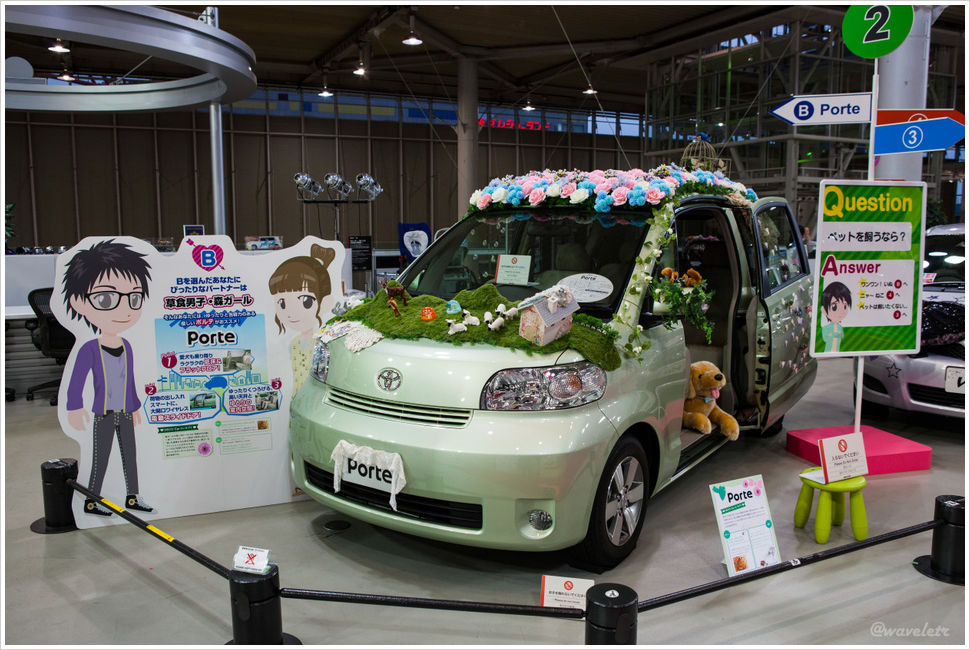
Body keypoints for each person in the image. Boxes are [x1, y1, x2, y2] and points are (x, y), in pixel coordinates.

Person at [63, 239, 153, 516]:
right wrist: (74, 407)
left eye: (134, 298)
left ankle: (132, 496)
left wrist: (135, 407)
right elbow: (77, 381)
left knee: (131, 456)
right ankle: (92, 500)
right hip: (103, 413)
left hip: (125, 411)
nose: (125, 309)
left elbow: (130, 379)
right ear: (79, 302)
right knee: (100, 457)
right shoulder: (90, 349)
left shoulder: (127, 346)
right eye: (106, 299)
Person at [269, 244, 336, 394]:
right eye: (282, 303)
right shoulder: (292, 344)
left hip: (318, 402)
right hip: (295, 400)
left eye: (306, 301)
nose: (291, 312)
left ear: (325, 303)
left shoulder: (325, 343)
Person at [820, 281, 851, 353]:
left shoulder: (840, 327)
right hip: (828, 350)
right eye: (834, 307)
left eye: (845, 306)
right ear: (824, 310)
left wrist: (833, 335)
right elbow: (825, 338)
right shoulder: (826, 327)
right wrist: (834, 335)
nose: (840, 311)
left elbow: (842, 335)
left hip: (837, 349)